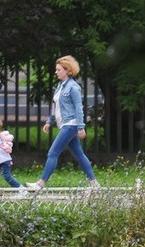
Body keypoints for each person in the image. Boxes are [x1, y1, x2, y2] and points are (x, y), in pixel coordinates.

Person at [26, 55, 99, 190]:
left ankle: (40, 184)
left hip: (71, 125)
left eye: (59, 70)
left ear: (68, 71)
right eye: (56, 69)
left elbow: (79, 108)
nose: (56, 72)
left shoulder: (73, 87)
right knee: (79, 155)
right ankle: (94, 184)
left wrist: (81, 127)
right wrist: (49, 121)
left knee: (52, 153)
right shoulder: (60, 86)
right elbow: (56, 106)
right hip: (65, 124)